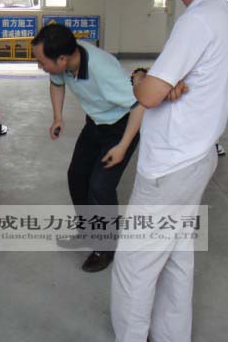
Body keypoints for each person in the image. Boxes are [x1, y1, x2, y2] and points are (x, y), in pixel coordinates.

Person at [111, 0, 228, 342]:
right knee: (177, 259)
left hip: (170, 166)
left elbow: (148, 94)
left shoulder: (197, 21)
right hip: (195, 157)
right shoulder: (218, 15)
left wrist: (142, 79)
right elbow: (163, 87)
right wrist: (158, 83)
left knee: (134, 265)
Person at [31, 23, 144, 273]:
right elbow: (56, 83)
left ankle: (106, 247)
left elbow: (139, 106)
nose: (40, 66)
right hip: (95, 122)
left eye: (42, 62)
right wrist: (58, 117)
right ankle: (87, 231)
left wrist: (123, 146)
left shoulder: (101, 69)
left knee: (100, 186)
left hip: (121, 126)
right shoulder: (65, 60)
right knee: (77, 176)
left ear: (62, 59)